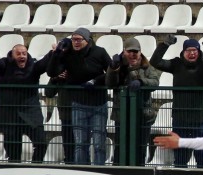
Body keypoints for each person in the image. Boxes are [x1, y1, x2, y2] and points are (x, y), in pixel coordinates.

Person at [150, 35, 203, 168]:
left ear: (199, 52)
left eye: (195, 50)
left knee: (202, 156)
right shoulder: (176, 64)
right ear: (183, 52)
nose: (192, 53)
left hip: (200, 119)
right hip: (180, 118)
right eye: (188, 50)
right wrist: (165, 44)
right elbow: (155, 62)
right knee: (180, 157)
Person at [46, 28, 112, 166]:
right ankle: (82, 170)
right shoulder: (67, 54)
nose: (75, 42)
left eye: (78, 39)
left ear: (87, 40)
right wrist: (57, 52)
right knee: (80, 143)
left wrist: (95, 81)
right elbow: (51, 71)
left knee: (99, 142)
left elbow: (111, 72)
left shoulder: (99, 52)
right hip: (78, 104)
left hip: (98, 103)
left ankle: (100, 170)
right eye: (73, 39)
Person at [0, 43, 54, 163]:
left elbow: (43, 65)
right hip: (10, 115)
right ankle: (15, 172)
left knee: (41, 143)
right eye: (18, 53)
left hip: (30, 113)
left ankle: (35, 167)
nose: (22, 56)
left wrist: (53, 53)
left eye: (24, 53)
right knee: (13, 152)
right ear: (12, 55)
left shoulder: (33, 65)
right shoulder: (5, 64)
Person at [106, 37, 161, 166]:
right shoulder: (118, 66)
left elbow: (155, 82)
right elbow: (110, 84)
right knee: (121, 145)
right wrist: (113, 68)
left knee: (140, 146)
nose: (133, 54)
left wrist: (141, 82)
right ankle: (119, 171)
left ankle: (139, 170)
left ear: (140, 52)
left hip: (143, 115)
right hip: (122, 114)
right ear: (124, 51)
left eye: (136, 51)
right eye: (130, 51)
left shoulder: (147, 67)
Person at [44, 71, 74, 164]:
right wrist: (55, 79)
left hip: (83, 112)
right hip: (66, 113)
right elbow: (49, 93)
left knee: (82, 143)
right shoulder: (60, 69)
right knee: (68, 143)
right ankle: (69, 162)